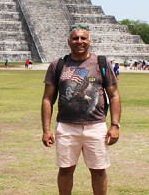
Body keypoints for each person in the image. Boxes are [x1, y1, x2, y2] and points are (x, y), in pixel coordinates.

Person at [41, 24, 121, 195]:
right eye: (75, 38)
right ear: (68, 41)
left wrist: (115, 125)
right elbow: (47, 98)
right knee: (65, 169)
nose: (79, 41)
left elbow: (114, 95)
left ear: (89, 41)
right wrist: (46, 129)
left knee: (99, 170)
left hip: (96, 125)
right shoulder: (58, 65)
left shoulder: (101, 62)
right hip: (66, 126)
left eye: (83, 38)